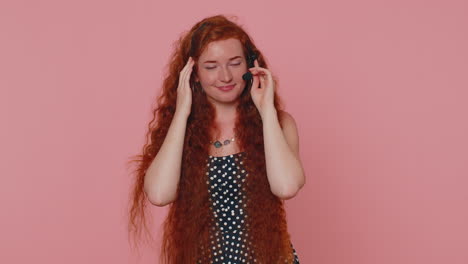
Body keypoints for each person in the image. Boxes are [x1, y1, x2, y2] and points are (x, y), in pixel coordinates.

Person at [128, 14, 305, 263]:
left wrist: (266, 110)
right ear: (194, 73)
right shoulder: (180, 130)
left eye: (235, 63)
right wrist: (181, 112)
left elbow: (286, 187)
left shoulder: (278, 122)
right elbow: (158, 194)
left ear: (250, 65)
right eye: (211, 66)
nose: (225, 77)